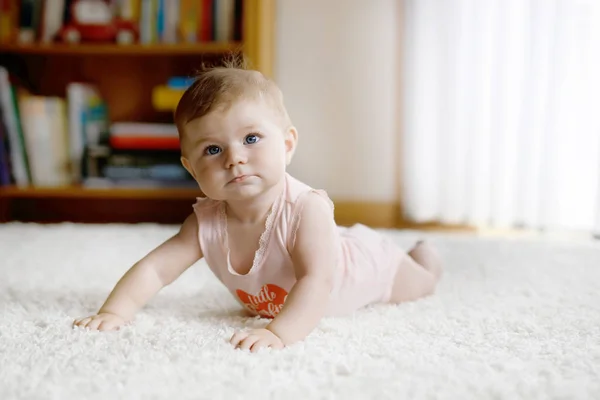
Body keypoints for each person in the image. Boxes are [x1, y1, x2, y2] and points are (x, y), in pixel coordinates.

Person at [73, 60, 443, 353]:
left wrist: (279, 333)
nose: (235, 159)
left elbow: (318, 280)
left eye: (251, 138)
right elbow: (155, 269)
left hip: (368, 268)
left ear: (287, 144)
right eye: (212, 149)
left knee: (420, 283)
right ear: (190, 168)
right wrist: (115, 311)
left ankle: (423, 256)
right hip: (328, 261)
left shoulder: (306, 209)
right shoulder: (206, 222)